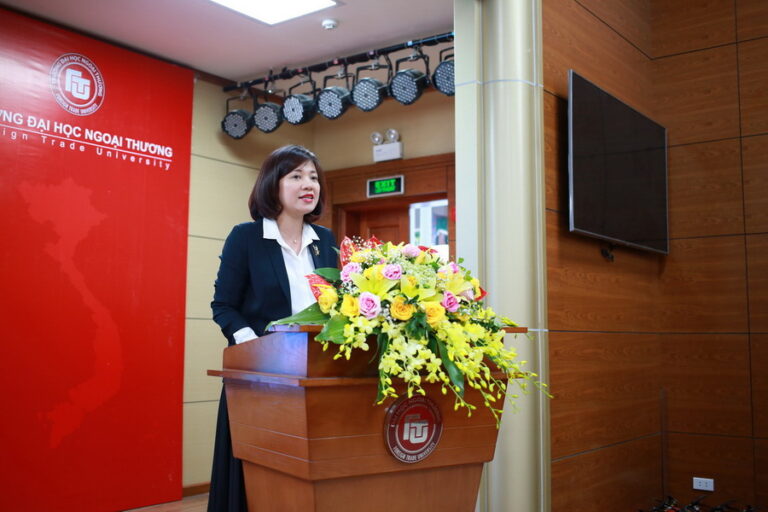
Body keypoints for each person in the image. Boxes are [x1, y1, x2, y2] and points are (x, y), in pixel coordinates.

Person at [207, 145, 338, 512]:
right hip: (259, 378)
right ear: (272, 185)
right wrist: (255, 347)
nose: (307, 184)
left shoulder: (325, 242)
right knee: (260, 479)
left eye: (313, 176)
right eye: (296, 176)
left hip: (314, 380)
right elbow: (224, 306)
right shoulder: (246, 238)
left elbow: (338, 308)